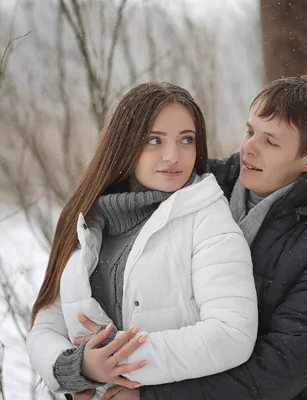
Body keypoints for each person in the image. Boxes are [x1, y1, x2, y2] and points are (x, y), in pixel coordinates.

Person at [86, 74, 307, 400]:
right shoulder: (198, 186)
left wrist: (151, 397)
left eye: (271, 142)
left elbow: (279, 371)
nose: (249, 148)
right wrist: (86, 371)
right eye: (250, 131)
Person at [26, 82, 258, 399]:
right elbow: (46, 325)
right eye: (154, 140)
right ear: (125, 144)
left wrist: (116, 361)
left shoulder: (208, 220)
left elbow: (232, 335)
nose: (173, 156)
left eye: (186, 140)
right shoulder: (89, 219)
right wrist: (78, 368)